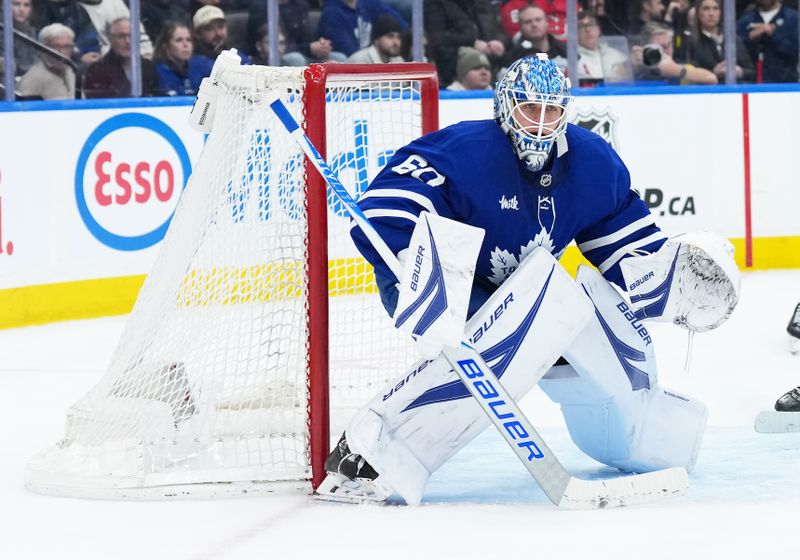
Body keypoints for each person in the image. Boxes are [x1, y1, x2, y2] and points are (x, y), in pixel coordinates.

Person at [314, 54, 739, 504]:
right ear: (504, 107)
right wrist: (423, 279)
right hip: (444, 289)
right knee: (543, 302)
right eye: (528, 109)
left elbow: (625, 248)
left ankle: (646, 435)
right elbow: (383, 215)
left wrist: (668, 281)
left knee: (579, 304)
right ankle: (373, 449)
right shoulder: (461, 153)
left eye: (551, 110)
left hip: (531, 298)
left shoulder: (592, 163)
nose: (539, 123)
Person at [424, 0, 507, 87]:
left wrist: (498, 42)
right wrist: (472, 43)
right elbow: (437, 39)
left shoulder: (482, 3)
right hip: (452, 66)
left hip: (490, 61)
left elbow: (498, 30)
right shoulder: (435, 3)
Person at [246, 0, 346, 66]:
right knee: (296, 59)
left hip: (303, 53)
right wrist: (308, 48)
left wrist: (320, 45)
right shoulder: (263, 6)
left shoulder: (300, 5)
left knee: (339, 58)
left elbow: (307, 38)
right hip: (271, 58)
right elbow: (267, 43)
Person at [82, 17, 161, 98]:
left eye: (131, 36)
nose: (127, 41)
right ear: (110, 39)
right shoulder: (97, 71)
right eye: (121, 36)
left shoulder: (147, 67)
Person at [688, 0, 755, 83]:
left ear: (721, 13)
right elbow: (688, 73)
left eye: (715, 9)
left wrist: (740, 71)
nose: (711, 13)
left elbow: (751, 72)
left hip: (734, 91)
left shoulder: (733, 39)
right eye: (706, 9)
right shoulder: (691, 42)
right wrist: (713, 72)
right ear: (698, 13)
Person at [632, 21, 718, 84]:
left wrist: (675, 70)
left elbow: (711, 79)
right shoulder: (636, 67)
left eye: (669, 46)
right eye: (659, 47)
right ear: (644, 48)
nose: (665, 52)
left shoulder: (679, 68)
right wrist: (631, 68)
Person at [318, 0, 407, 59]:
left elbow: (400, 24)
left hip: (375, 58)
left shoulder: (369, 3)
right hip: (354, 66)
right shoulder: (331, 12)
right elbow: (349, 52)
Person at [736, 0, 799, 83]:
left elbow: (795, 52)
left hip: (785, 84)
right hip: (752, 85)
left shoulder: (793, 18)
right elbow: (735, 52)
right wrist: (750, 37)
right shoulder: (746, 19)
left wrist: (774, 34)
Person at [17, 23, 76, 99]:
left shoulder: (73, 72)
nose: (61, 51)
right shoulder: (33, 79)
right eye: (55, 46)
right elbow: (23, 108)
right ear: (44, 49)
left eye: (66, 47)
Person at [153, 22, 213, 96]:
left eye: (188, 40)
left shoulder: (203, 65)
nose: (185, 44)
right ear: (166, 46)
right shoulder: (156, 72)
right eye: (179, 40)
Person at [577, 9, 631, 84]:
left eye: (591, 24)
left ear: (599, 29)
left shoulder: (615, 55)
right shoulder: (572, 59)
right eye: (581, 26)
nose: (588, 30)